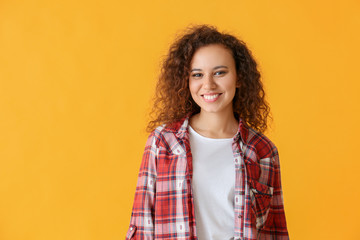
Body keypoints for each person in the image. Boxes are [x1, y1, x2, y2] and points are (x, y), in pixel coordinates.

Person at [126, 24, 289, 240]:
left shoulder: (263, 151)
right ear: (186, 81)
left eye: (220, 72)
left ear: (239, 77)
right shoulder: (163, 142)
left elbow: (274, 232)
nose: (208, 84)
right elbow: (141, 224)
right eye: (197, 74)